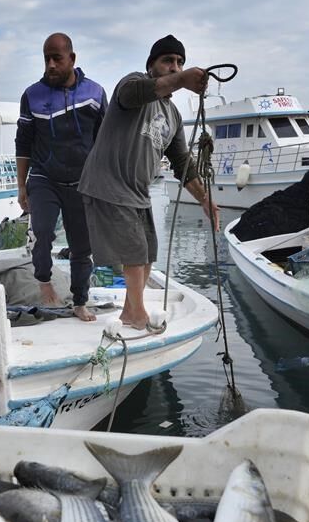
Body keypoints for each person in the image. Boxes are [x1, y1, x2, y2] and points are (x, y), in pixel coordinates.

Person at [78, 34, 219, 330]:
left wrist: (205, 199)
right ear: (151, 65)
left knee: (148, 254)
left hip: (137, 192)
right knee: (135, 252)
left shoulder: (173, 115)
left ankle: (129, 313)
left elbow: (182, 163)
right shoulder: (132, 85)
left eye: (179, 62)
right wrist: (182, 79)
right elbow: (136, 92)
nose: (174, 66)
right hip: (108, 184)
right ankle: (139, 315)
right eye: (168, 61)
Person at [15, 33, 108, 321]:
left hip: (83, 181)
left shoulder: (95, 93)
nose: (51, 65)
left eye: (57, 58)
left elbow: (106, 141)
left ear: (72, 59)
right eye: (46, 59)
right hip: (45, 177)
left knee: (82, 247)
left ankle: (80, 301)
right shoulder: (33, 95)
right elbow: (23, 143)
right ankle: (45, 283)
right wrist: (21, 186)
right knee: (42, 231)